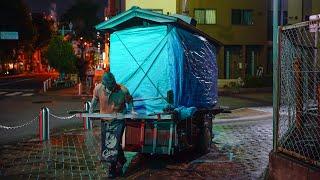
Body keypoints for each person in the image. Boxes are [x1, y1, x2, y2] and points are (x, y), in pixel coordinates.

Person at [89, 72, 134, 178]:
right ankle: (122, 159)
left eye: (112, 86)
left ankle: (112, 169)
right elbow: (94, 100)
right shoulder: (98, 88)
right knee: (109, 144)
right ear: (104, 85)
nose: (110, 89)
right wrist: (90, 111)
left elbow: (130, 101)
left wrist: (132, 111)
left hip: (119, 120)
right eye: (108, 87)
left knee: (114, 143)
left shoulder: (123, 90)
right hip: (105, 120)